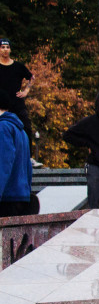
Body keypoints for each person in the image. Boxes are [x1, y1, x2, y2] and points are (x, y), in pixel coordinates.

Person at [0, 37, 37, 165]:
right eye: (2, 47)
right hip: (1, 104)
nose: (5, 50)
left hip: (16, 102)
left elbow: (32, 78)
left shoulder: (18, 66)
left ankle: (28, 157)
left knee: (26, 127)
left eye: (7, 47)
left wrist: (26, 91)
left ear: (10, 49)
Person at [0, 89, 32, 217]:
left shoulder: (3, 128)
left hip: (6, 197)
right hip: (20, 196)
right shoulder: (21, 130)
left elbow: (3, 163)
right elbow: (27, 166)